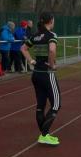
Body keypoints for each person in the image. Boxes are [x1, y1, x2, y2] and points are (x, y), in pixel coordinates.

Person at [21, 12, 61, 146]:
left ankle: (45, 135)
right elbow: (52, 50)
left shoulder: (35, 35)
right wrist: (52, 64)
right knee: (56, 104)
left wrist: (31, 61)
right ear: (51, 21)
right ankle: (44, 135)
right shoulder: (51, 35)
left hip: (36, 74)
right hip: (47, 74)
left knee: (40, 105)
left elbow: (23, 48)